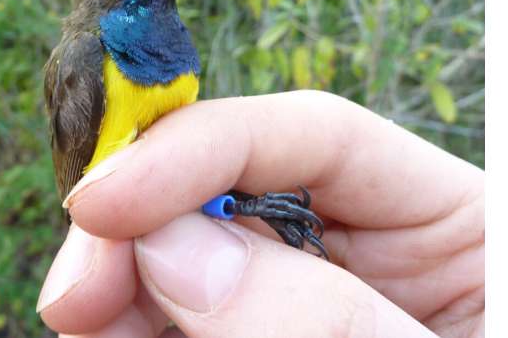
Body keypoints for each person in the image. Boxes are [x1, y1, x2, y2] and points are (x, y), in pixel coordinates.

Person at [36, 91, 485, 338]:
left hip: (151, 194)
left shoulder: (171, 45)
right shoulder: (88, 52)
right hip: (117, 203)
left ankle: (240, 206)